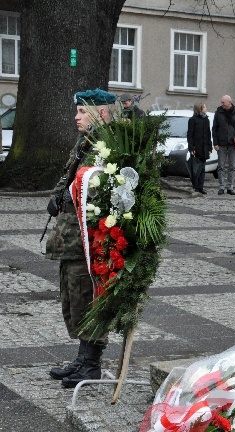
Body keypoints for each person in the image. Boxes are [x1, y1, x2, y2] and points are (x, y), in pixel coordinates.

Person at [45, 88, 116, 388]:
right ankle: (82, 357)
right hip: (72, 237)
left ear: (100, 113)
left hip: (89, 241)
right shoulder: (85, 143)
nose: (75, 116)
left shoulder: (108, 146)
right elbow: (70, 179)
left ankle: (91, 364)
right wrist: (58, 195)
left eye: (82, 111)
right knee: (73, 298)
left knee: (87, 299)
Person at [212, 95, 235, 195]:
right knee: (221, 166)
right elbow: (214, 129)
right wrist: (215, 143)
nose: (222, 104)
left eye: (223, 102)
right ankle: (221, 186)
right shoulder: (218, 112)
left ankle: (230, 186)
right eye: (221, 102)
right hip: (221, 144)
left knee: (232, 166)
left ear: (229, 102)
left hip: (232, 144)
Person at [187, 103, 212, 194]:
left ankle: (201, 186)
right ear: (200, 109)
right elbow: (190, 135)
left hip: (204, 148)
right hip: (196, 148)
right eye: (204, 107)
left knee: (202, 169)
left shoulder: (206, 120)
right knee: (195, 169)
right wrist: (191, 148)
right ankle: (196, 186)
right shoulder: (193, 120)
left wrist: (209, 147)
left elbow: (208, 134)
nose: (206, 108)